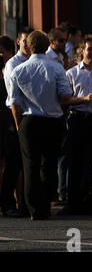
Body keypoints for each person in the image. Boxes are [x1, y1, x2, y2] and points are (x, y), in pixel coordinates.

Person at [9, 30, 92, 220]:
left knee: (30, 166)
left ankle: (33, 209)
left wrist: (19, 127)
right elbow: (65, 97)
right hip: (52, 120)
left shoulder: (18, 70)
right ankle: (44, 206)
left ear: (29, 46)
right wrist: (81, 99)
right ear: (47, 45)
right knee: (48, 165)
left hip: (29, 119)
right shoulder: (56, 68)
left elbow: (14, 104)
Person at [57, 35, 92, 216]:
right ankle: (74, 202)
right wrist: (84, 99)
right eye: (89, 49)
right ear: (81, 50)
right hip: (78, 119)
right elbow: (64, 101)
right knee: (75, 162)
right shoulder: (71, 73)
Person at [0, 35, 22, 217]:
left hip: (7, 120)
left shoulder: (13, 68)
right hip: (6, 120)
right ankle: (7, 202)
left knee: (12, 163)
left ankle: (11, 201)